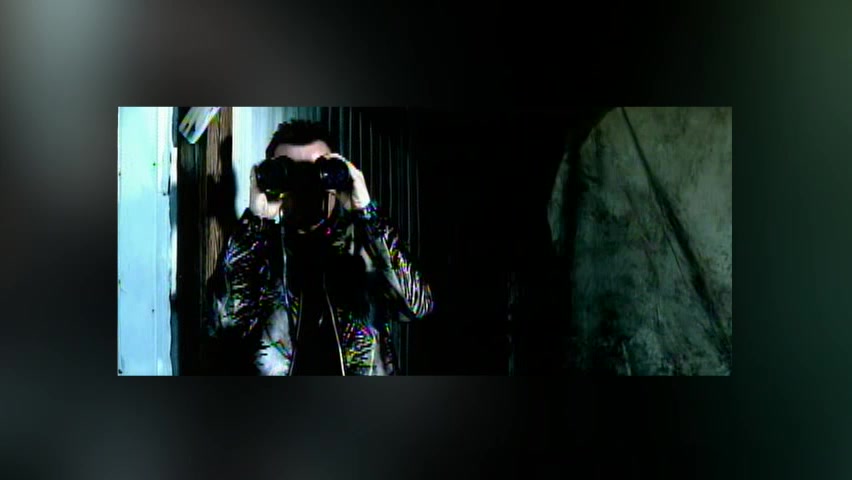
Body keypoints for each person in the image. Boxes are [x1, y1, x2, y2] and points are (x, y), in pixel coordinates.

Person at [208, 120, 433, 375]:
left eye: (317, 172)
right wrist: (255, 223)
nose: (306, 187)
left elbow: (417, 306)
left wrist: (367, 212)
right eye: (292, 173)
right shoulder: (260, 252)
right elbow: (223, 323)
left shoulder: (365, 248)